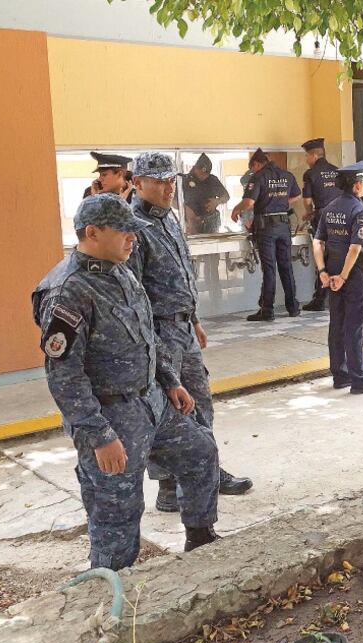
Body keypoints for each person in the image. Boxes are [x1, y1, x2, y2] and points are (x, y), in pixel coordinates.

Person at [33, 194, 221, 570]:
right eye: (124, 232)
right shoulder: (68, 290)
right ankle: (110, 591)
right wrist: (99, 436)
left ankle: (201, 542)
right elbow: (64, 375)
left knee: (201, 454)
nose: (133, 239)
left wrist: (169, 381)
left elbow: (146, 333)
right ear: (93, 232)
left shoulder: (120, 268)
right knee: (117, 509)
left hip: (151, 401)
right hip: (111, 415)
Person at [127, 151, 252, 512]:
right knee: (166, 408)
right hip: (158, 334)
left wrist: (194, 319)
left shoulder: (170, 219)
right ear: (138, 183)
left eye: (171, 181)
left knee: (200, 402)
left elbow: (181, 276)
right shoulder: (133, 228)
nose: (168, 187)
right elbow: (134, 295)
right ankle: (169, 487)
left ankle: (206, 470)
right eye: (160, 181)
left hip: (183, 327)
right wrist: (150, 342)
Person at [314, 160, 363, 394]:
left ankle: (341, 374)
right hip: (352, 276)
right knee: (355, 326)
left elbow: (318, 242)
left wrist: (323, 272)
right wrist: (344, 277)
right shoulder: (359, 210)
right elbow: (356, 248)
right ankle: (360, 379)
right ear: (356, 186)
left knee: (337, 324)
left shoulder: (330, 208)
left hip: (332, 274)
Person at [231, 149, 302, 321]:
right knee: (286, 266)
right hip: (284, 225)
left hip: (266, 228)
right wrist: (282, 202)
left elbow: (249, 202)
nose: (253, 171)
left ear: (256, 163)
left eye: (253, 168)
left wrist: (236, 209)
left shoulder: (259, 177)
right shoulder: (287, 175)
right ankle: (293, 307)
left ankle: (267, 310)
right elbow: (297, 195)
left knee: (269, 269)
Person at [301, 138, 339, 312]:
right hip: (340, 216)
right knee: (338, 255)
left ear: (314, 155)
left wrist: (309, 212)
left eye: (307, 156)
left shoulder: (311, 173)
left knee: (321, 258)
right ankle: (337, 294)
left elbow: (307, 200)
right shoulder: (337, 171)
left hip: (322, 217)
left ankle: (320, 299)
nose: (306, 160)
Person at [182, 153, 230, 235]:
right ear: (195, 168)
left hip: (211, 220)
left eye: (206, 174)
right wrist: (185, 210)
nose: (203, 176)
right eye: (201, 173)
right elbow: (174, 200)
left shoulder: (212, 179)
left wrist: (217, 201)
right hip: (192, 222)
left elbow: (226, 196)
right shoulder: (184, 180)